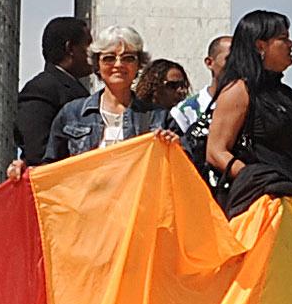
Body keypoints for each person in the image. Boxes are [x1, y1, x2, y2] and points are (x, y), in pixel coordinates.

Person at [204, 10, 292, 218]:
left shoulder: (287, 95)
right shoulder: (238, 90)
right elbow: (216, 151)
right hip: (261, 213)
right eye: (283, 39)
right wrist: (257, 182)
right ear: (260, 46)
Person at [45, 26, 170, 159]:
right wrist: (22, 171)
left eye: (128, 58)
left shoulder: (158, 117)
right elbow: (50, 168)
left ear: (139, 65)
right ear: (97, 65)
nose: (118, 64)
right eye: (109, 58)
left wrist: (173, 146)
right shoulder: (72, 114)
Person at [14, 16, 90, 167]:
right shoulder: (41, 90)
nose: (94, 52)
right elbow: (37, 154)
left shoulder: (76, 88)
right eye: (88, 44)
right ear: (70, 48)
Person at [166, 34, 231, 186]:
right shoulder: (184, 111)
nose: (237, 66)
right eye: (229, 60)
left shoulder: (253, 106)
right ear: (209, 63)